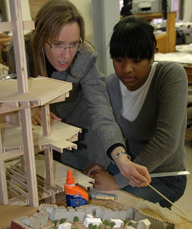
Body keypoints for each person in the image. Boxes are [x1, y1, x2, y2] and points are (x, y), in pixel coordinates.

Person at [8, 0, 150, 188]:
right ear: (41, 38)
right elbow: (12, 98)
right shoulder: (20, 54)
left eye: (74, 44)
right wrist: (30, 107)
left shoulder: (84, 58)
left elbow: (102, 112)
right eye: (58, 44)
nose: (67, 55)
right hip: (42, 141)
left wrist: (121, 157)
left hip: (83, 141)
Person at [84, 16, 188, 208]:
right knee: (85, 192)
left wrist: (116, 181)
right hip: (124, 170)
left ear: (151, 57)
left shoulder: (170, 76)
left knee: (107, 203)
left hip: (163, 177)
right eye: (119, 59)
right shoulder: (110, 84)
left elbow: (167, 142)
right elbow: (106, 127)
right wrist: (107, 165)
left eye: (137, 60)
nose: (126, 69)